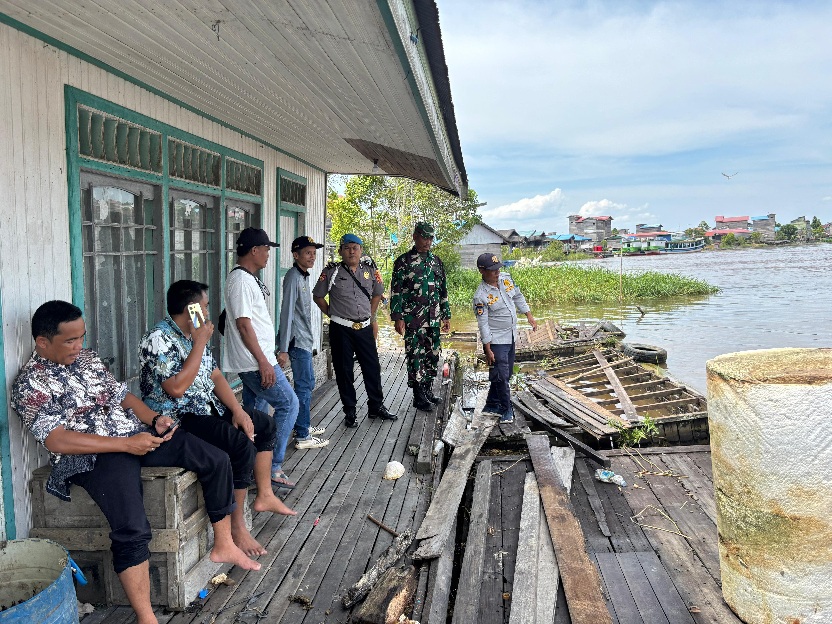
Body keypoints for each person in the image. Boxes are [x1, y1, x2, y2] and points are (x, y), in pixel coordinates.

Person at [11, 301, 260, 624]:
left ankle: (224, 544)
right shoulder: (30, 384)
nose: (79, 346)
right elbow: (56, 439)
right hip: (92, 457)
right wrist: (125, 445)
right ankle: (147, 617)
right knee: (132, 527)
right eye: (70, 341)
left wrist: (154, 418)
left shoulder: (86, 359)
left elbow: (122, 397)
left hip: (134, 436)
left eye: (81, 337)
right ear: (42, 342)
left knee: (214, 457)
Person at [139, 280, 298, 558]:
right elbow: (176, 388)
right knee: (239, 445)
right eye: (204, 306)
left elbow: (214, 376)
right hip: (179, 416)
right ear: (191, 310)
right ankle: (237, 527)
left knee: (263, 423)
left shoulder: (190, 335)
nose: (208, 313)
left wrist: (238, 410)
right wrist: (200, 342)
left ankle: (264, 494)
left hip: (207, 406)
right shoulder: (159, 339)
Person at [222, 227, 299, 490]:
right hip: (256, 362)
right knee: (289, 404)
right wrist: (264, 362)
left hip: (258, 359)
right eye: (266, 249)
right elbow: (243, 324)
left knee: (254, 414)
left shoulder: (247, 278)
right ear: (253, 251)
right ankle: (272, 467)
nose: (268, 254)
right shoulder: (241, 281)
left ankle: (252, 465)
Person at [312, 233, 397, 427]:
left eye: (355, 248)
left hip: (364, 328)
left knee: (372, 368)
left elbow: (377, 293)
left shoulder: (370, 269)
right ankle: (349, 411)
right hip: (341, 328)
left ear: (361, 250)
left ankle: (376, 406)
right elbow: (318, 296)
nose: (352, 251)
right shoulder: (332, 271)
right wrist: (332, 313)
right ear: (341, 251)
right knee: (344, 371)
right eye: (348, 248)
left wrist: (371, 314)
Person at [390, 221, 451, 412]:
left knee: (432, 355)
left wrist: (446, 315)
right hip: (413, 319)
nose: (428, 241)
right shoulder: (403, 262)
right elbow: (396, 292)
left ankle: (427, 389)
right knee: (415, 355)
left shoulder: (436, 262)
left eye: (431, 237)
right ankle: (418, 395)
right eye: (424, 237)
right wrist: (397, 317)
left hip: (433, 318)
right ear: (415, 236)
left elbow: (443, 290)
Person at [472, 253, 538, 423]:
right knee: (501, 375)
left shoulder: (506, 279)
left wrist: (529, 315)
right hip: (496, 340)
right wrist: (487, 349)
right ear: (482, 271)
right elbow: (483, 323)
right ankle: (505, 408)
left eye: (498, 268)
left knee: (504, 373)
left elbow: (518, 296)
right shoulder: (481, 296)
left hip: (511, 335)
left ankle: (492, 403)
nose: (497, 272)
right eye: (492, 270)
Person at [277, 236, 329, 450]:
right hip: (297, 341)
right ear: (295, 255)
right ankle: (302, 434)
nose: (312, 257)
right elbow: (287, 313)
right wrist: (282, 348)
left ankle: (302, 424)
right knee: (304, 385)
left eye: (314, 253)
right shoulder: (293, 277)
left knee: (306, 384)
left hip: (305, 340)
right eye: (307, 253)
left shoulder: (305, 276)